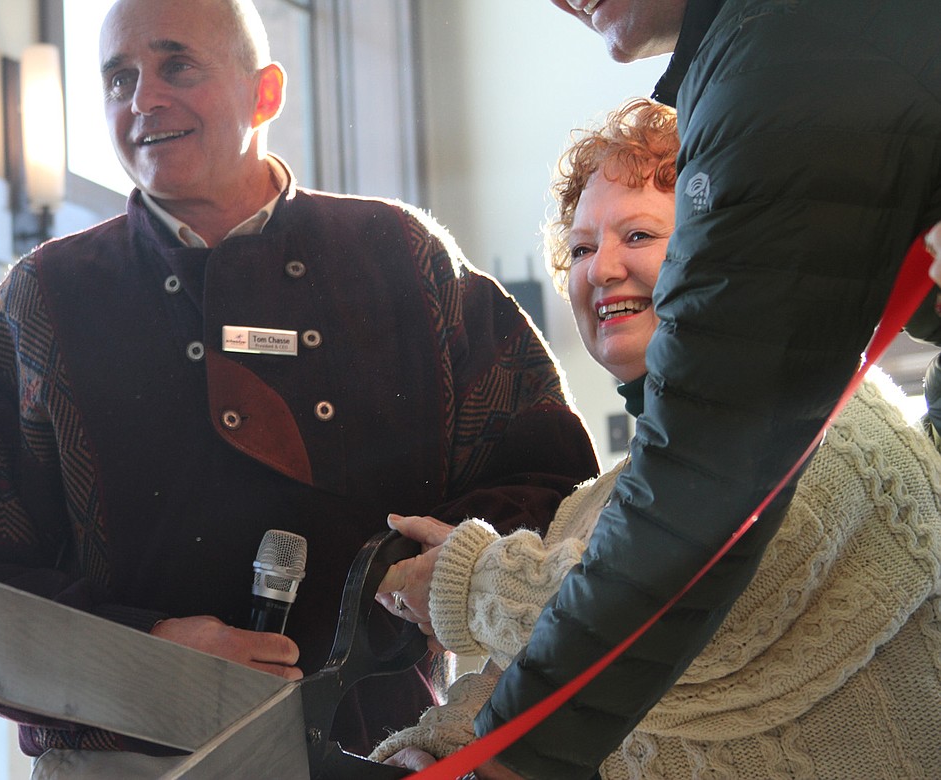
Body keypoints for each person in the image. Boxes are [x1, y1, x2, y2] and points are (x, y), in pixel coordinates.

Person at [0, 0, 600, 775]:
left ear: (267, 93)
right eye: (119, 78)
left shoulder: (405, 262)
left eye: (176, 65)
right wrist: (146, 651)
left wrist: (445, 572)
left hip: (386, 752)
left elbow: (558, 493)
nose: (143, 97)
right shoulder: (41, 303)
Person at [378, 2, 941, 776]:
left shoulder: (839, 429)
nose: (602, 268)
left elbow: (712, 611)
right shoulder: (593, 507)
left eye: (638, 235)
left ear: (718, 242)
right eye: (579, 248)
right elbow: (546, 661)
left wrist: (469, 582)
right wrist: (434, 744)